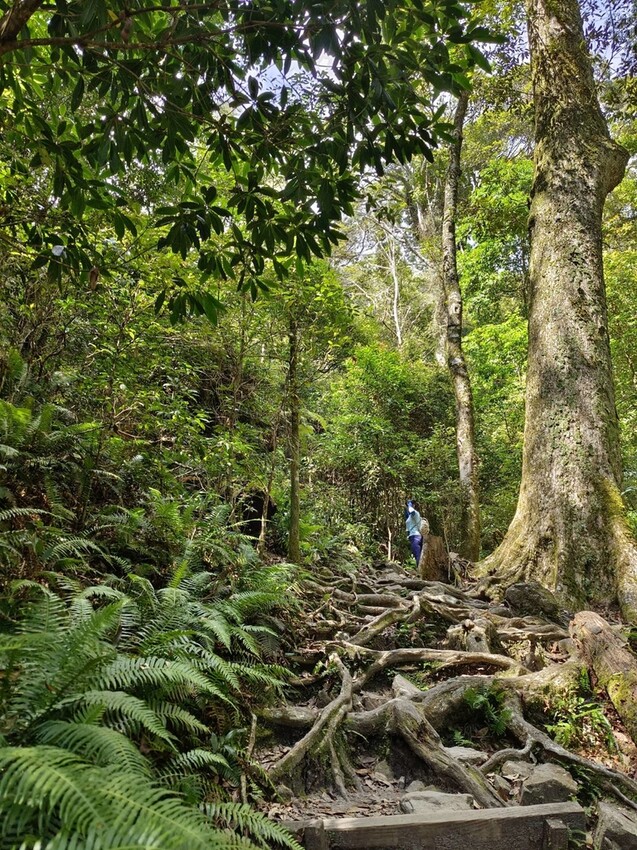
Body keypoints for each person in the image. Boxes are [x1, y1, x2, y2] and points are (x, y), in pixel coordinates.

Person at [405, 499, 424, 565]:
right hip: (413, 537)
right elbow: (407, 520)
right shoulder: (410, 516)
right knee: (417, 555)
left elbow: (411, 511)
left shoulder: (415, 513)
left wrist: (409, 504)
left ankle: (420, 573)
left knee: (418, 555)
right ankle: (420, 571)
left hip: (416, 536)